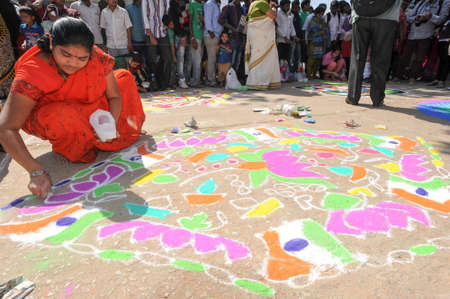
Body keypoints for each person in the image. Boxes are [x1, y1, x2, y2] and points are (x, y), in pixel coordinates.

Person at [0, 17, 145, 198]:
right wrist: (35, 171)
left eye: (82, 58)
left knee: (123, 78)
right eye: (66, 55)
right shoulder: (33, 71)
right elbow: (6, 128)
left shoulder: (95, 57)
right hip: (52, 114)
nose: (73, 63)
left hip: (87, 106)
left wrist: (110, 123)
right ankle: (79, 144)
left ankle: (98, 137)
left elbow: (114, 96)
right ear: (52, 42)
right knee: (63, 115)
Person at [346, 0, 402, 107]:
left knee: (357, 57)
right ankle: (377, 98)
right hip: (387, 17)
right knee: (381, 58)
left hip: (360, 15)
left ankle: (352, 96)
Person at [394, 0, 449, 84]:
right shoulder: (421, 2)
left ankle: (412, 77)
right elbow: (409, 17)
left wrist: (430, 17)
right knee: (405, 56)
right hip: (412, 34)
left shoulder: (442, 3)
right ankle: (397, 76)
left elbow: (441, 19)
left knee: (420, 58)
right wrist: (417, 18)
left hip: (427, 35)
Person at [245, 0, 281, 89]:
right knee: (262, 57)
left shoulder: (252, 4)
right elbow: (272, 15)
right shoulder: (262, 3)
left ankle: (258, 81)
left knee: (257, 56)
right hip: (262, 35)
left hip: (255, 35)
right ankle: (257, 82)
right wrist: (273, 8)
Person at [142, 0, 171, 90]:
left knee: (167, 58)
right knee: (152, 60)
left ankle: (165, 83)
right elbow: (145, 18)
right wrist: (151, 36)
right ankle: (155, 83)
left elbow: (168, 13)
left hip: (163, 33)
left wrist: (166, 25)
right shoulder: (145, 1)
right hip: (151, 33)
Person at [169, 0, 190, 88]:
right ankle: (174, 81)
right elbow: (173, 21)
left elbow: (185, 21)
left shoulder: (186, 3)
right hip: (172, 35)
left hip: (182, 35)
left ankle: (182, 79)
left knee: (182, 59)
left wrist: (183, 36)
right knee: (174, 59)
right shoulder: (171, 4)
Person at [219, 0, 244, 74]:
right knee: (231, 60)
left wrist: (243, 38)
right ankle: (228, 79)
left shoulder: (241, 8)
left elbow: (242, 24)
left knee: (238, 60)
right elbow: (221, 20)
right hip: (232, 37)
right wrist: (233, 29)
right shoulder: (228, 7)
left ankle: (234, 79)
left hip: (240, 37)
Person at [305, 6, 329, 79]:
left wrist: (324, 34)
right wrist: (319, 33)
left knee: (318, 59)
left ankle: (314, 74)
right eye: (320, 13)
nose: (321, 15)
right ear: (316, 13)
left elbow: (327, 31)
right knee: (312, 59)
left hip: (321, 44)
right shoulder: (311, 21)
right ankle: (309, 74)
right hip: (313, 43)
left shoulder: (323, 22)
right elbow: (309, 33)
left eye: (322, 14)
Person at [204, 0, 223, 87]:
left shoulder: (216, 4)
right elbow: (207, 18)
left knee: (212, 59)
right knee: (212, 59)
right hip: (211, 35)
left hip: (216, 35)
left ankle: (210, 79)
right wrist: (211, 32)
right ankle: (211, 81)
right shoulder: (209, 3)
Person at [189, 0, 205, 87]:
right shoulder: (192, 3)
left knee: (199, 60)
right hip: (196, 36)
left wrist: (203, 20)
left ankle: (197, 80)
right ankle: (195, 82)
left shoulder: (202, 4)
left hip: (202, 35)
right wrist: (192, 38)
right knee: (197, 61)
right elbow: (190, 22)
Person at [276, 0, 297, 65]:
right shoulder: (277, 13)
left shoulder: (290, 14)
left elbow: (291, 26)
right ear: (282, 6)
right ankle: (279, 74)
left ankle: (285, 73)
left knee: (286, 60)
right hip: (280, 41)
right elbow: (277, 27)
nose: (288, 7)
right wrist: (284, 36)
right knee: (279, 59)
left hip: (287, 41)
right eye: (286, 5)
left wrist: (294, 35)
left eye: (289, 6)